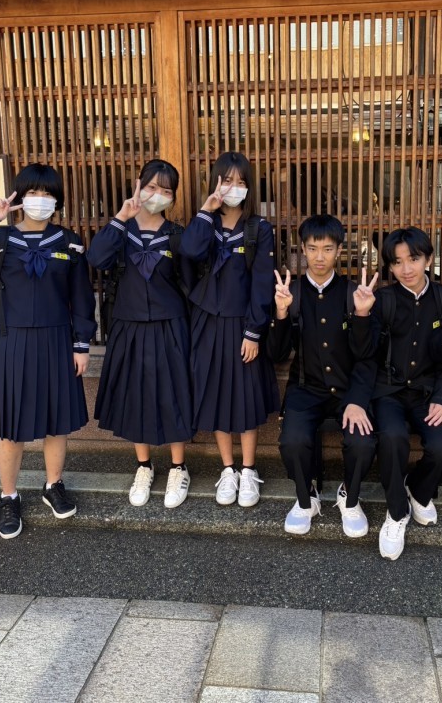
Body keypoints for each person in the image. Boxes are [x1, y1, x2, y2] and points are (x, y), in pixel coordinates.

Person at [0, 163, 96, 539]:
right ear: (20, 196)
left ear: (57, 201)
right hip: (10, 343)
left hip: (57, 342)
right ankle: (8, 496)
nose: (41, 200)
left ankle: (53, 485)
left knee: (57, 422)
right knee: (11, 429)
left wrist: (81, 344)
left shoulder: (69, 242)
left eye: (48, 194)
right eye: (33, 192)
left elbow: (82, 298)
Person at [351, 227, 442, 560]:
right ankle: (396, 513)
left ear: (428, 259)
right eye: (397, 262)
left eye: (413, 259)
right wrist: (362, 314)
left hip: (428, 392)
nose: (406, 268)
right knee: (392, 438)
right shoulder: (382, 300)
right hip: (388, 391)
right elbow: (363, 353)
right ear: (390, 266)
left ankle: (418, 489)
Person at [88, 159, 195, 509]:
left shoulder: (178, 235)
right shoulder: (121, 231)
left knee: (174, 393)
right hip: (128, 324)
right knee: (135, 394)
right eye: (151, 187)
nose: (157, 194)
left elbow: (190, 282)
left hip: (170, 324)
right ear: (138, 185)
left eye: (166, 190)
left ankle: (178, 467)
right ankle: (144, 466)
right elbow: (96, 259)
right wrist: (121, 217)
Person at [268, 214, 379, 537]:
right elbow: (277, 354)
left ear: (339, 250)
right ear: (302, 249)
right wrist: (281, 313)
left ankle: (350, 497)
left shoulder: (353, 293)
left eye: (328, 249)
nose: (320, 257)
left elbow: (367, 356)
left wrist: (362, 315)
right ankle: (306, 498)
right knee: (292, 440)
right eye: (313, 248)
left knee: (363, 442)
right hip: (306, 388)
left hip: (348, 390)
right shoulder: (292, 292)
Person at [179, 152, 279, 507]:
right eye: (227, 181)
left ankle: (248, 470)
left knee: (245, 396)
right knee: (217, 393)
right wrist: (206, 211)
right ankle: (227, 469)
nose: (234, 188)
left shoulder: (258, 228)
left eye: (241, 182)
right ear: (215, 184)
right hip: (207, 321)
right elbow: (189, 251)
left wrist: (254, 331)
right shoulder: (204, 223)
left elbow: (263, 283)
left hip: (242, 324)